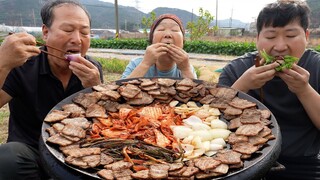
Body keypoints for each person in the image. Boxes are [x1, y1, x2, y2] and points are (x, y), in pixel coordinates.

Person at [0, 0, 103, 179]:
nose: (77, 39)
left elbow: (105, 119)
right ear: (46, 33)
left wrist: (95, 88)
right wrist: (2, 63)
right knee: (9, 157)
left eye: (84, 32)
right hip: (31, 150)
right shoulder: (21, 65)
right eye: (68, 30)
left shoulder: (92, 69)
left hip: (77, 152)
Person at [218, 0, 320, 179]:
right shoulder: (236, 69)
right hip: (244, 162)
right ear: (257, 38)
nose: (280, 46)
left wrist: (304, 90)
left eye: (290, 35)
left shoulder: (317, 66)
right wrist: (243, 85)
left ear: (306, 36)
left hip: (304, 164)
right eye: (271, 37)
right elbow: (214, 120)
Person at [121, 13, 197, 79]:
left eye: (174, 30)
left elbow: (197, 93)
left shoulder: (186, 67)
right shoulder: (136, 64)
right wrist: (145, 64)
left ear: (183, 42)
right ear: (152, 40)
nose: (167, 35)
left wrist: (186, 70)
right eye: (161, 29)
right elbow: (121, 90)